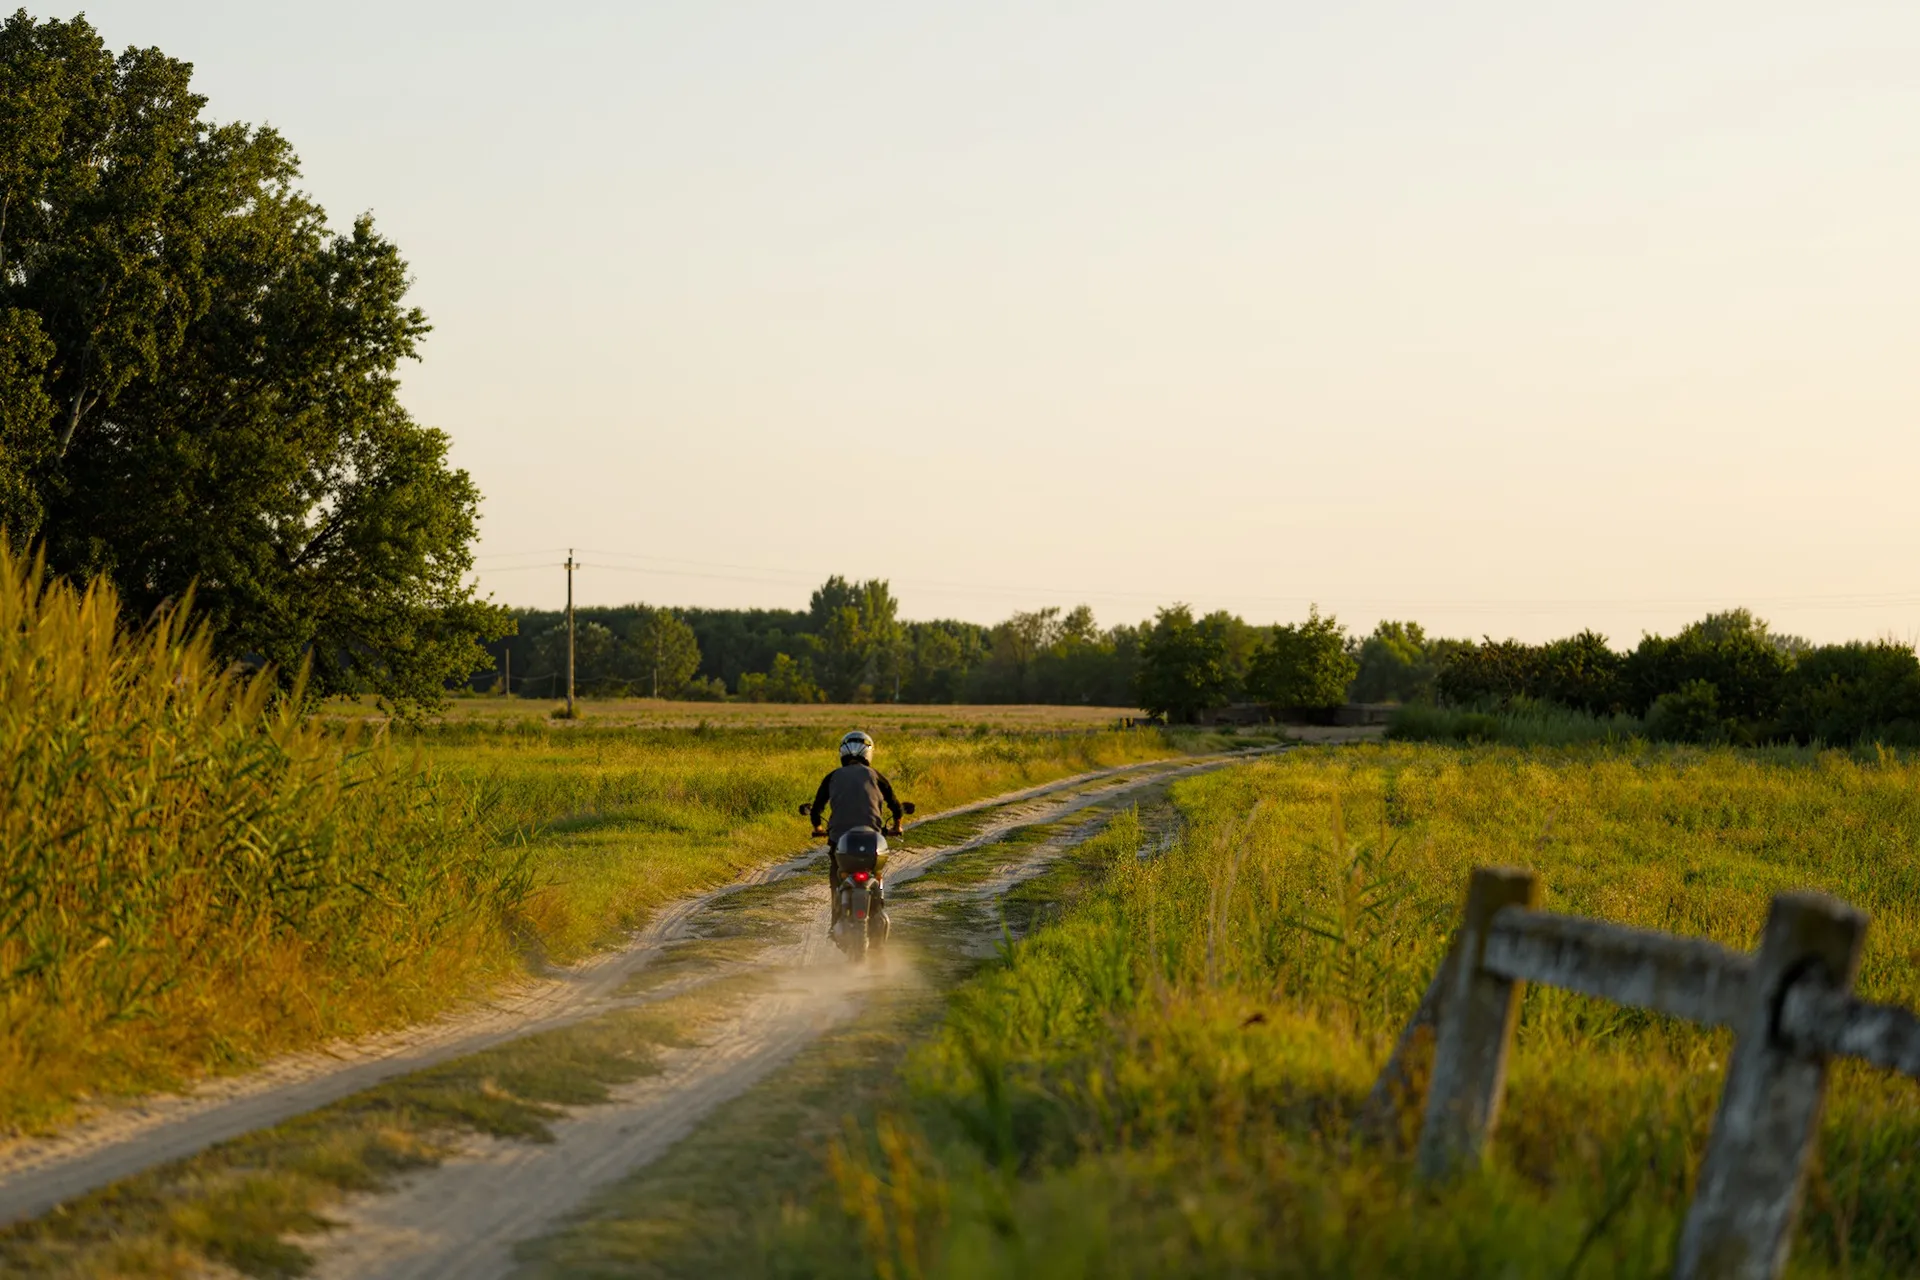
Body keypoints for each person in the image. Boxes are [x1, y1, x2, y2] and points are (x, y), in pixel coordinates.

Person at [810, 730, 904, 926]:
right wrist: (897, 825)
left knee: (837, 876)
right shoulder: (875, 776)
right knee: (876, 874)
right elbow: (895, 805)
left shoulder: (833, 776)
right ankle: (878, 906)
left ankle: (836, 918)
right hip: (872, 839)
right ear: (868, 753)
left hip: (840, 840)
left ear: (842, 753)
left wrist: (818, 827)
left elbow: (817, 808)